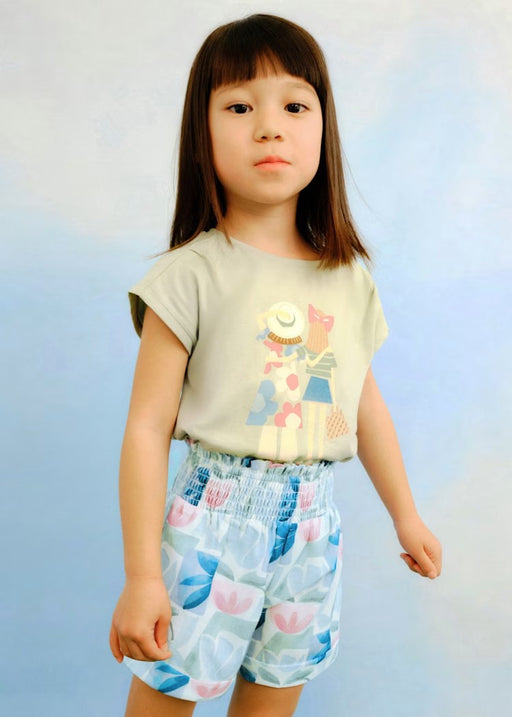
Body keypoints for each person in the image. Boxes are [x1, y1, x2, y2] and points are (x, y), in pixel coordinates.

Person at [109, 13, 442, 717]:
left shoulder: (347, 279)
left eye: (294, 106)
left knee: (272, 701)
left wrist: (405, 515)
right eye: (239, 107)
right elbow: (145, 428)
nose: (269, 128)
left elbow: (363, 405)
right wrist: (143, 576)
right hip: (211, 525)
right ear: (201, 133)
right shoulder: (190, 275)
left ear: (324, 128)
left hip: (314, 534)